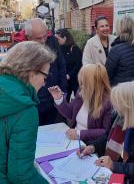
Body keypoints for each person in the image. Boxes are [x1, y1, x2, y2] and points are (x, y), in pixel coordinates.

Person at [0, 41, 55, 183]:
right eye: (45, 77)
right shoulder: (24, 108)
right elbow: (20, 176)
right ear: (31, 72)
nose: (44, 83)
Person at [48, 63, 112, 143]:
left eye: (84, 81)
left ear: (94, 83)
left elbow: (106, 132)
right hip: (74, 139)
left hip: (91, 145)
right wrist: (59, 99)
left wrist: (80, 134)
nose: (81, 85)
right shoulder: (81, 92)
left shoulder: (108, 102)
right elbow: (70, 113)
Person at [23, 18, 67, 125]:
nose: (43, 40)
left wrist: (63, 91)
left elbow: (61, 65)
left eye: (45, 36)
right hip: (34, 100)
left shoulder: (52, 40)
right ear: (28, 37)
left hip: (53, 96)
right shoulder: (21, 48)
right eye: (39, 38)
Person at [105, 15, 134, 86]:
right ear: (133, 28)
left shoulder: (115, 49)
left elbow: (107, 74)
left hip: (120, 90)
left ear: (119, 29)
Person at [55, 28, 82, 101]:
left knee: (78, 99)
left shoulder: (74, 48)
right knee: (65, 99)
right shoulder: (59, 49)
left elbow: (78, 65)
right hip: (64, 80)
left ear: (65, 38)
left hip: (75, 79)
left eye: (58, 39)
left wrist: (69, 75)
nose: (56, 41)